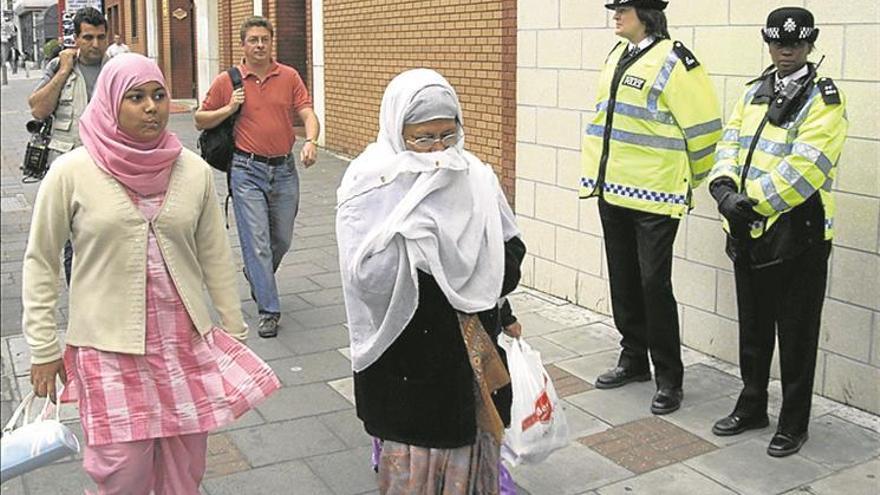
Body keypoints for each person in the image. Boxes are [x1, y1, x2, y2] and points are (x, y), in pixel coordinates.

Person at [22, 53, 280, 494]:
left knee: (185, 471)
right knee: (122, 473)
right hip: (108, 348)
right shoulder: (72, 173)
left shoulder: (192, 171)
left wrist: (232, 329)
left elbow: (214, 255)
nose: (151, 107)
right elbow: (41, 260)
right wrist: (43, 347)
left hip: (183, 345)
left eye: (158, 95)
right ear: (109, 103)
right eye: (136, 97)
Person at [337, 68, 526, 494]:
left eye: (448, 135)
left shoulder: (476, 177)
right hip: (406, 367)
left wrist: (471, 270)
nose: (439, 149)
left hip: (469, 367)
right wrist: (420, 250)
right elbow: (364, 276)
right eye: (423, 138)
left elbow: (511, 255)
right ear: (396, 130)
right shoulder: (370, 182)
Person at [707, 7, 847, 457]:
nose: (786, 50)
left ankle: (793, 423)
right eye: (778, 42)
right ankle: (752, 406)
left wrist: (753, 205)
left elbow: (806, 165)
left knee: (796, 333)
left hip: (797, 236)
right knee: (753, 327)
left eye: (796, 43)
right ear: (768, 43)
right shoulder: (753, 91)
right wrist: (724, 188)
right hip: (747, 229)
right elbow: (730, 142)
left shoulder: (824, 99)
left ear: (810, 45)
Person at [581, 0, 722, 415]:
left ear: (646, 13)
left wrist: (690, 181)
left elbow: (704, 128)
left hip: (655, 197)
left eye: (623, 8)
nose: (615, 14)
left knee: (654, 286)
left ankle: (669, 378)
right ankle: (633, 359)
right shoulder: (617, 55)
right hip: (612, 192)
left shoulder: (676, 61)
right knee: (624, 281)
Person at [195, 15, 320, 338]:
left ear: (271, 42)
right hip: (246, 170)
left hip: (284, 170)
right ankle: (269, 309)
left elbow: (306, 111)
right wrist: (228, 109)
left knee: (281, 238)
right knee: (258, 243)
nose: (260, 45)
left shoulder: (289, 76)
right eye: (253, 40)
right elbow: (200, 119)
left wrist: (311, 140)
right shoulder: (229, 81)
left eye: (265, 39)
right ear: (243, 44)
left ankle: (256, 274)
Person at [28, 6, 109, 285]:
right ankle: (81, 307)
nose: (95, 44)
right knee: (72, 241)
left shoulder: (115, 68)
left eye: (100, 37)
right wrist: (63, 71)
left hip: (109, 165)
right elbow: (38, 109)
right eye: (88, 37)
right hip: (68, 165)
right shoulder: (58, 66)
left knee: (108, 236)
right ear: (76, 38)